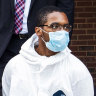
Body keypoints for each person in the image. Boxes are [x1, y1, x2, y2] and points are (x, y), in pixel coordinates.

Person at [2, 6, 94, 96]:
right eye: (54, 26)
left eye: (66, 27)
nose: (62, 32)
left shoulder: (76, 69)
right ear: (38, 31)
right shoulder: (16, 66)